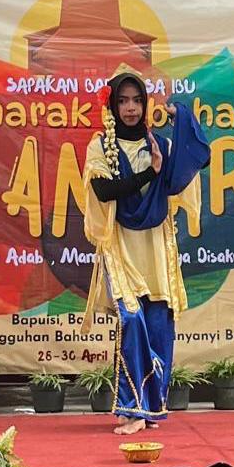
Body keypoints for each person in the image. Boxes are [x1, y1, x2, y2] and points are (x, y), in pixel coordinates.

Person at [82, 73, 210, 435]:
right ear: (112, 105)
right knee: (132, 320)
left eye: (137, 100)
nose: (130, 108)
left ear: (145, 104)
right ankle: (134, 407)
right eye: (123, 101)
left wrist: (181, 116)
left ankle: (148, 409)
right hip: (120, 246)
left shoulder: (161, 146)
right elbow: (104, 191)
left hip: (156, 248)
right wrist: (148, 174)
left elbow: (196, 157)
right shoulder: (100, 146)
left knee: (157, 326)